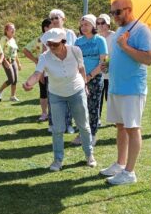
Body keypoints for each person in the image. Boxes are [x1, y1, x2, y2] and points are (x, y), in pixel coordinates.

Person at [23, 28, 96, 171]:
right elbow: (38, 73)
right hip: (56, 94)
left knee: (84, 126)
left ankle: (89, 155)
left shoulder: (75, 51)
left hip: (77, 91)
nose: (51, 47)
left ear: (63, 42)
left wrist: (85, 84)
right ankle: (57, 161)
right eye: (49, 44)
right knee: (57, 129)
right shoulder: (44, 56)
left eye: (55, 44)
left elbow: (81, 69)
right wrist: (28, 83)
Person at [100, 0, 151, 185]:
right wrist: (107, 66)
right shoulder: (120, 31)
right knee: (120, 127)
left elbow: (148, 59)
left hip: (132, 88)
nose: (114, 16)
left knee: (132, 128)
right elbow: (118, 57)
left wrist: (125, 46)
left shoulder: (142, 30)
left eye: (117, 12)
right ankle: (120, 164)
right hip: (117, 86)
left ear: (128, 9)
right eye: (112, 12)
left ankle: (129, 173)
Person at [73, 14, 108, 146]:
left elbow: (103, 62)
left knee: (93, 108)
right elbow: (75, 61)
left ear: (93, 26)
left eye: (86, 24)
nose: (83, 27)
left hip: (95, 78)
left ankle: (92, 135)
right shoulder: (78, 42)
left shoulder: (100, 40)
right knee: (81, 108)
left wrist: (89, 76)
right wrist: (81, 77)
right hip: (79, 79)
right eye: (82, 25)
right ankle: (82, 133)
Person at [48, 9, 75, 134]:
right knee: (53, 100)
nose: (53, 20)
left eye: (56, 17)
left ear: (63, 19)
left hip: (69, 72)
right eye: (52, 18)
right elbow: (44, 53)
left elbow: (75, 50)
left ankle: (68, 124)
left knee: (69, 99)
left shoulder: (70, 34)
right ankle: (53, 123)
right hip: (53, 72)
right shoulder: (48, 34)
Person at [23, 18, 52, 122]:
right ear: (45, 28)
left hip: (54, 71)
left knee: (53, 93)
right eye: (51, 26)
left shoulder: (56, 39)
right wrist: (36, 61)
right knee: (43, 92)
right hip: (41, 71)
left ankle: (52, 114)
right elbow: (25, 50)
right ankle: (44, 113)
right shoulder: (39, 40)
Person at [97, 13, 115, 125]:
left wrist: (108, 64)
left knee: (110, 96)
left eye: (102, 22)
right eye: (98, 23)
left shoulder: (114, 36)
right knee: (98, 97)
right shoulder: (97, 38)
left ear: (108, 24)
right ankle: (97, 118)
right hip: (98, 72)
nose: (100, 25)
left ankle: (115, 118)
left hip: (111, 72)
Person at [0, 23, 22, 102]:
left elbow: (15, 53)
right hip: (6, 60)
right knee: (11, 79)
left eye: (14, 28)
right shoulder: (4, 39)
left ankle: (12, 96)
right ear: (6, 30)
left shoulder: (13, 39)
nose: (13, 30)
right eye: (11, 28)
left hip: (13, 60)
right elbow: (0, 52)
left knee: (15, 79)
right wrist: (5, 61)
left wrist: (18, 63)